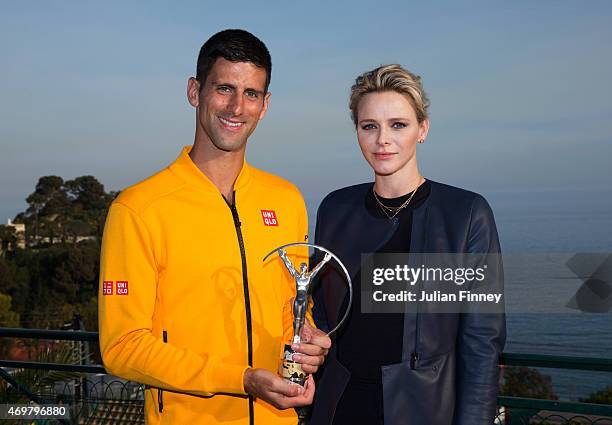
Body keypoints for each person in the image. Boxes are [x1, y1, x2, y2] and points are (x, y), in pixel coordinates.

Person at [98, 29, 331, 425]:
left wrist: (310, 340)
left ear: (265, 104)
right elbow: (122, 346)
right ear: (195, 92)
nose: (237, 107)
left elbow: (290, 305)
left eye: (252, 93)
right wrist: (239, 379)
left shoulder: (286, 199)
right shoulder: (138, 209)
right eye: (224, 88)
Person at [309, 64, 506, 425]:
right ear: (357, 132)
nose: (383, 139)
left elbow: (481, 342)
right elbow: (320, 314)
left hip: (425, 410)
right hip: (340, 407)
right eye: (370, 126)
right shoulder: (334, 209)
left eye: (398, 125)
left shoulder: (466, 214)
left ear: (422, 129)